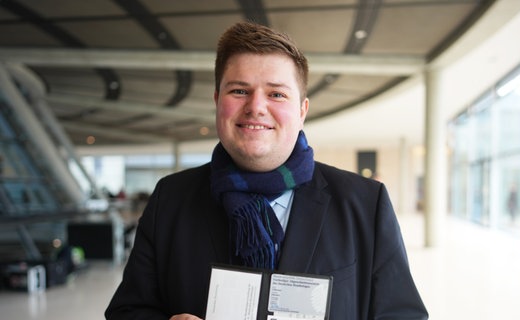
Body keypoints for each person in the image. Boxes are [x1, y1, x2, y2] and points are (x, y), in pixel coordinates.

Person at [105, 21, 428, 320]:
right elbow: (128, 310)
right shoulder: (171, 199)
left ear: (302, 111)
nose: (256, 106)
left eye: (276, 93)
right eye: (239, 91)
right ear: (217, 100)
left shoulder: (364, 203)